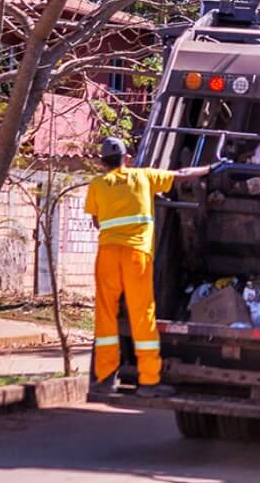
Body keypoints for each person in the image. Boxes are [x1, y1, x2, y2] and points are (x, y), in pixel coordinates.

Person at [85, 137, 218, 397]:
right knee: (142, 315)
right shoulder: (143, 177)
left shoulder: (97, 185)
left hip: (108, 255)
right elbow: (182, 174)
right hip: (137, 256)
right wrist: (211, 168)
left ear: (102, 163)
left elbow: (96, 222)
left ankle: (104, 379)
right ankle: (148, 381)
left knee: (106, 314)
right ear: (126, 158)